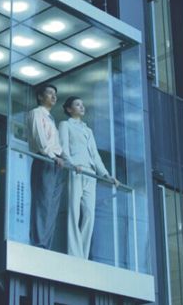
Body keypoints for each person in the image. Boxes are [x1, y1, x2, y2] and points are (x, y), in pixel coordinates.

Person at [59, 96, 119, 259]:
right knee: (74, 211)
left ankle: (82, 254)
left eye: (83, 104)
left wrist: (106, 174)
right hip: (76, 170)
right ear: (69, 109)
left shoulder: (88, 130)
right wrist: (71, 165)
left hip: (90, 173)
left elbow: (95, 155)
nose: (82, 107)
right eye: (78, 104)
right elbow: (63, 149)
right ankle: (74, 252)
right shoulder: (65, 125)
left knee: (89, 214)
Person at [27, 83, 65, 249]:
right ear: (40, 97)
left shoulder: (51, 118)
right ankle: (38, 242)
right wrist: (52, 156)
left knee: (52, 205)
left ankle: (46, 244)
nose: (53, 96)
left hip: (56, 162)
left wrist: (59, 157)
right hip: (45, 160)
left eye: (55, 94)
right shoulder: (36, 113)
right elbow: (40, 140)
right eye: (49, 93)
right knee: (42, 202)